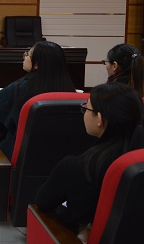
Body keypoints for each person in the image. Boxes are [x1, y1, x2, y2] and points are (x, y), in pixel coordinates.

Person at [35, 82, 144, 241]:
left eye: (86, 108)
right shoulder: (138, 161)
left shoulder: (78, 167)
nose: (84, 112)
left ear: (99, 118)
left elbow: (42, 203)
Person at [0, 40, 76, 158]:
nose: (25, 57)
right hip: (62, 156)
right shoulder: (70, 90)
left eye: (28, 55)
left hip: (23, 156)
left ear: (36, 64)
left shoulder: (22, 87)